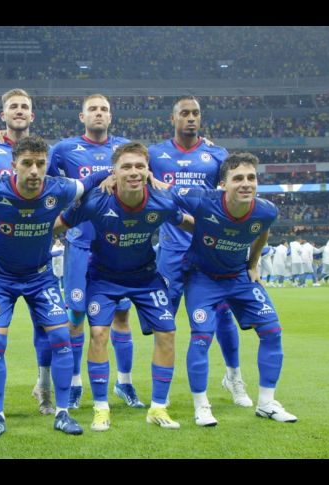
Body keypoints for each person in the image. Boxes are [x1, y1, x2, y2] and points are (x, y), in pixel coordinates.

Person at [0, 135, 93, 439]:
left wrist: (114, 175)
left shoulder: (59, 188)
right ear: (14, 164)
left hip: (40, 277)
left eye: (40, 164)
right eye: (27, 163)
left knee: (62, 337)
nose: (34, 170)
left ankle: (62, 413)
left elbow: (91, 181)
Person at [55, 142, 194, 431]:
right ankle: (101, 408)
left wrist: (225, 233)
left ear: (148, 171)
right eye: (126, 167)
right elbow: (60, 223)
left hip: (145, 277)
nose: (134, 172)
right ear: (114, 172)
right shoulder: (96, 201)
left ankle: (158, 407)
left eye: (140, 166)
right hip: (104, 278)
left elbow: (188, 223)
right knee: (98, 333)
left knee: (167, 333)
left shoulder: (162, 202)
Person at [171, 152, 297, 426]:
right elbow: (163, 194)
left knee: (272, 332)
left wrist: (253, 264)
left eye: (251, 178)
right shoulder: (202, 200)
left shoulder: (266, 210)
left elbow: (262, 230)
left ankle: (267, 403)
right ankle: (201, 406)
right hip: (203, 277)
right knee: (201, 337)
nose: (246, 184)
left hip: (238, 276)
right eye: (238, 178)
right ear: (223, 184)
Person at [149, 96, 253, 408]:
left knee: (223, 315)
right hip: (171, 250)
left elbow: (230, 192)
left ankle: (234, 376)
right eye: (185, 113)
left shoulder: (217, 154)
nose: (191, 118)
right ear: (173, 118)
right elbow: (130, 165)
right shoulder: (154, 154)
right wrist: (150, 177)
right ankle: (161, 390)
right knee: (164, 320)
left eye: (195, 113)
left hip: (207, 250)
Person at [0, 88, 54, 414]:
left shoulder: (44, 152)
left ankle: (44, 385)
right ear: (3, 114)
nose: (19, 111)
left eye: (24, 106)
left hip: (36, 254)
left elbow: (58, 192)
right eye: (13, 106)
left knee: (46, 326)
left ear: (32, 115)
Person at [47, 94, 137, 410]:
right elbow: (48, 183)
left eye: (104, 109)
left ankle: (125, 383)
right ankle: (75, 384)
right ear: (82, 116)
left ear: (110, 116)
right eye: (93, 109)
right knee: (75, 316)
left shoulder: (125, 148)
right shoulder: (64, 149)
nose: (99, 113)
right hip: (80, 243)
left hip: (117, 247)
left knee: (121, 315)